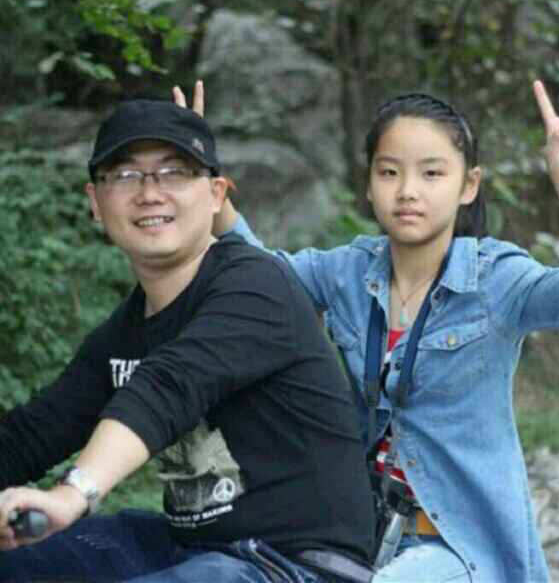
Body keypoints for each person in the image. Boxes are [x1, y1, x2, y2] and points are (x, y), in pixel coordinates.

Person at [175, 72, 559, 583]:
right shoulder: (350, 272)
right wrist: (206, 178)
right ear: (369, 185)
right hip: (357, 532)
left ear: (468, 186)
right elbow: (261, 278)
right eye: (389, 172)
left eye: (432, 173)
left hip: (459, 546)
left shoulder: (495, 280)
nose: (408, 191)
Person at [0, 98, 377, 583]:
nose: (150, 193)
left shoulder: (258, 286)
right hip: (189, 550)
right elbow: (33, 434)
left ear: (217, 194)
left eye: (175, 173)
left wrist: (72, 494)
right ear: (95, 201)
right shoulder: (125, 332)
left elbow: (166, 387)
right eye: (126, 175)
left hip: (296, 566)